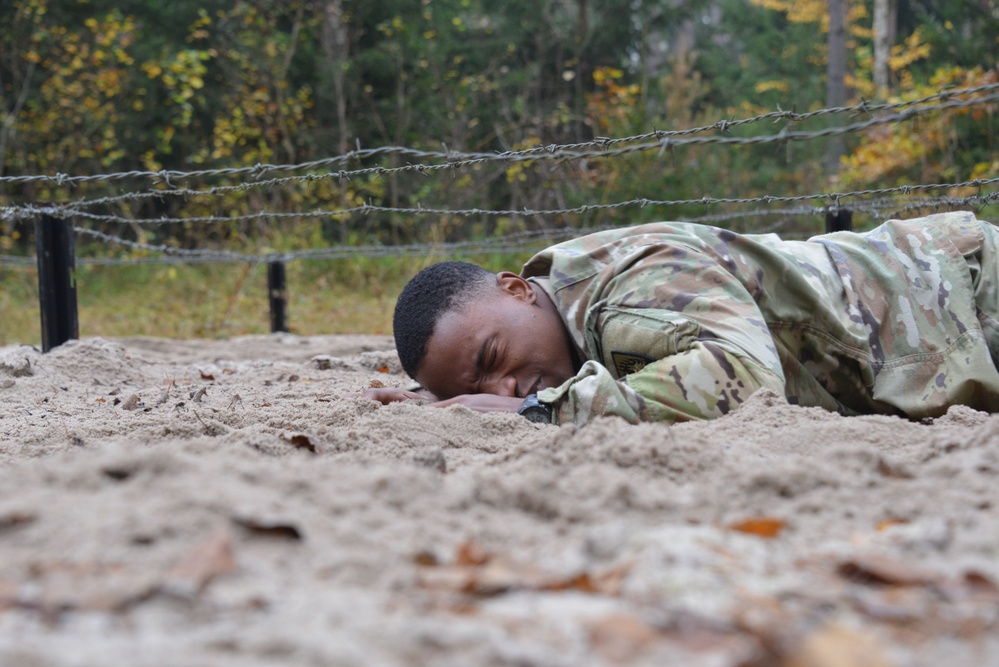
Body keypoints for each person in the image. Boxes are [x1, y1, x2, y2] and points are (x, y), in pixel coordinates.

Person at [361, 210, 999, 425]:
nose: (504, 388)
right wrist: (455, 397)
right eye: (477, 390)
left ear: (518, 289)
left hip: (968, 294)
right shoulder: (563, 323)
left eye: (492, 359)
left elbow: (746, 378)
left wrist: (545, 409)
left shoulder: (635, 278)